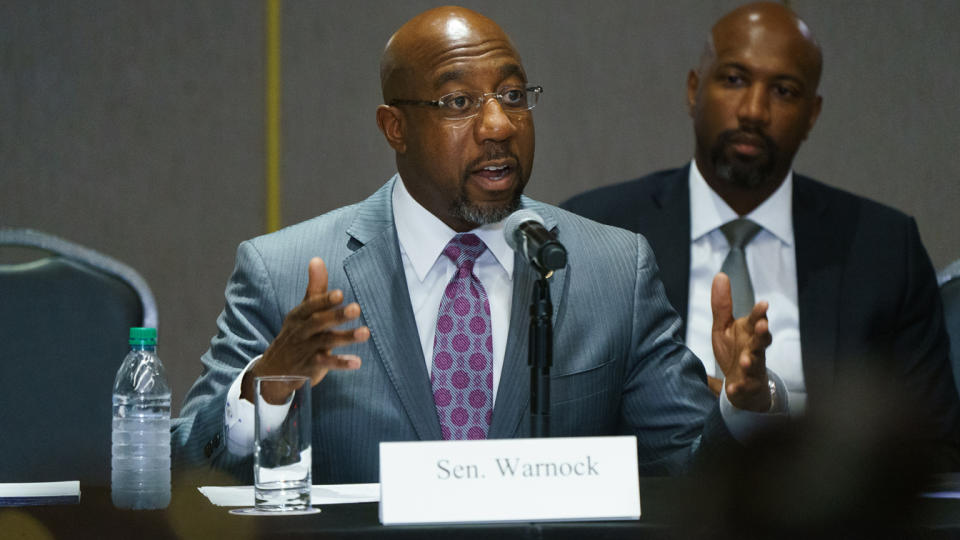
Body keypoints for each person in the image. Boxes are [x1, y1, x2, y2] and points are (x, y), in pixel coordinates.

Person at [172, 6, 784, 485]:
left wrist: (740, 405)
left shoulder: (612, 270)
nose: (498, 126)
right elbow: (185, 465)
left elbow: (687, 473)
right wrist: (269, 385)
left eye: (514, 97)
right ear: (395, 127)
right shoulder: (282, 271)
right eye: (459, 102)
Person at [561, 1, 960, 467]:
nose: (754, 110)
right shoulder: (600, 229)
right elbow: (570, 427)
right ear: (694, 90)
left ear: (812, 114)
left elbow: (934, 447)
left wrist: (765, 407)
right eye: (734, 79)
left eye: (784, 90)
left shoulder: (882, 247)